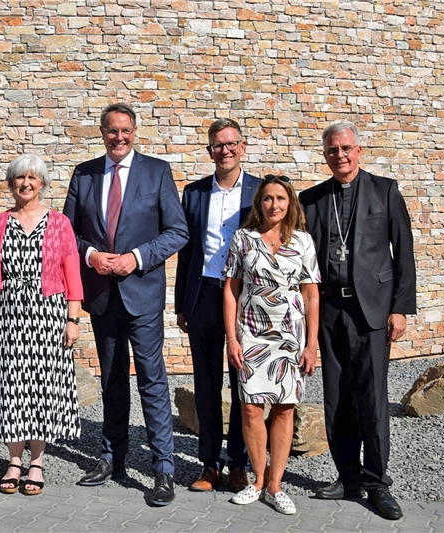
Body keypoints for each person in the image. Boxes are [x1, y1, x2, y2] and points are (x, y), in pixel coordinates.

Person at [63, 102, 189, 506]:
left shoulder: (156, 172)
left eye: (126, 131)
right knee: (111, 379)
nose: (119, 137)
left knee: (152, 380)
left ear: (135, 131)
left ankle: (163, 469)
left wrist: (137, 257)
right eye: (111, 131)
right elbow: (68, 233)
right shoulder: (84, 174)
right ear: (102, 133)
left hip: (142, 293)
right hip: (102, 294)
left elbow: (177, 231)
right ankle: (111, 457)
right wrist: (90, 257)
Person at [299, 122, 416, 520]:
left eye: (346, 148)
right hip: (330, 310)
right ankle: (348, 476)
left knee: (372, 398)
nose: (340, 156)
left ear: (359, 150)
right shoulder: (312, 199)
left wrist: (400, 307)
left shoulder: (385, 190)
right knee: (337, 399)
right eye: (332, 150)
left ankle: (377, 482)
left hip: (372, 311)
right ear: (325, 154)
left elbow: (404, 253)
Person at [0, 154, 84, 496]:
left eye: (32, 178)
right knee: (11, 388)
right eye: (19, 178)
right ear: (10, 183)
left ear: (42, 183)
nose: (25, 183)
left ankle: (36, 462)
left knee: (42, 387)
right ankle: (13, 461)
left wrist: (73, 319)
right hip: (8, 315)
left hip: (49, 314)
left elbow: (72, 274)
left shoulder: (60, 223)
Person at [223, 174, 321, 515]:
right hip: (250, 334)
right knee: (250, 407)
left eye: (280, 198)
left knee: (284, 408)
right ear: (259, 203)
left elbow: (311, 296)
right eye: (267, 198)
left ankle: (276, 486)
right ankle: (258, 480)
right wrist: (232, 338)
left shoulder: (304, 242)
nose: (274, 204)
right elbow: (231, 290)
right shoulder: (243, 239)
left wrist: (311, 345)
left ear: (290, 203)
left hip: (290, 337)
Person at [174, 118, 258, 493]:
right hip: (204, 294)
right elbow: (186, 251)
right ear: (209, 151)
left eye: (231, 143)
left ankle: (239, 464)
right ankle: (210, 465)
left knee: (243, 381)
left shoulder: (260, 192)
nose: (224, 150)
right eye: (217, 145)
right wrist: (181, 303)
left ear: (242, 147)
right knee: (206, 382)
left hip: (247, 295)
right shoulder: (193, 193)